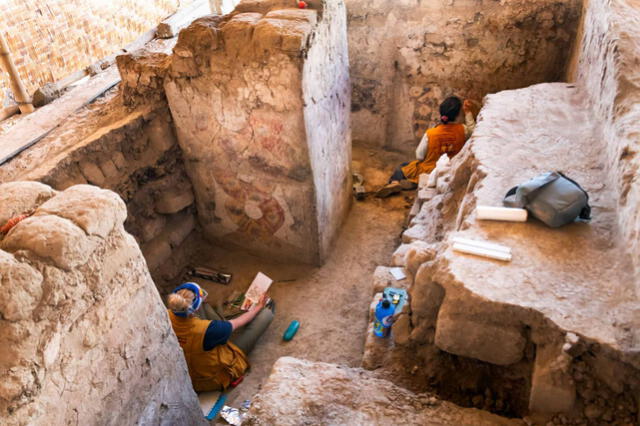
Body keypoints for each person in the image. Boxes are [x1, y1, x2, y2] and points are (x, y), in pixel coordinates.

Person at [167, 282, 274, 392]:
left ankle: (217, 318)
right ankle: (264, 310)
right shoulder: (209, 329)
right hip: (210, 379)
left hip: (187, 373)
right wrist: (259, 306)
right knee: (266, 314)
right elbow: (239, 322)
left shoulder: (166, 315)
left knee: (208, 311)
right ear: (194, 309)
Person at [376, 96, 476, 198]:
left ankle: (396, 182)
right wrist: (467, 112)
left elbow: (419, 156)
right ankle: (414, 183)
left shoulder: (431, 133)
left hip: (430, 170)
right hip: (451, 170)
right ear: (458, 115)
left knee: (402, 167)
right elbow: (473, 131)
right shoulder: (463, 130)